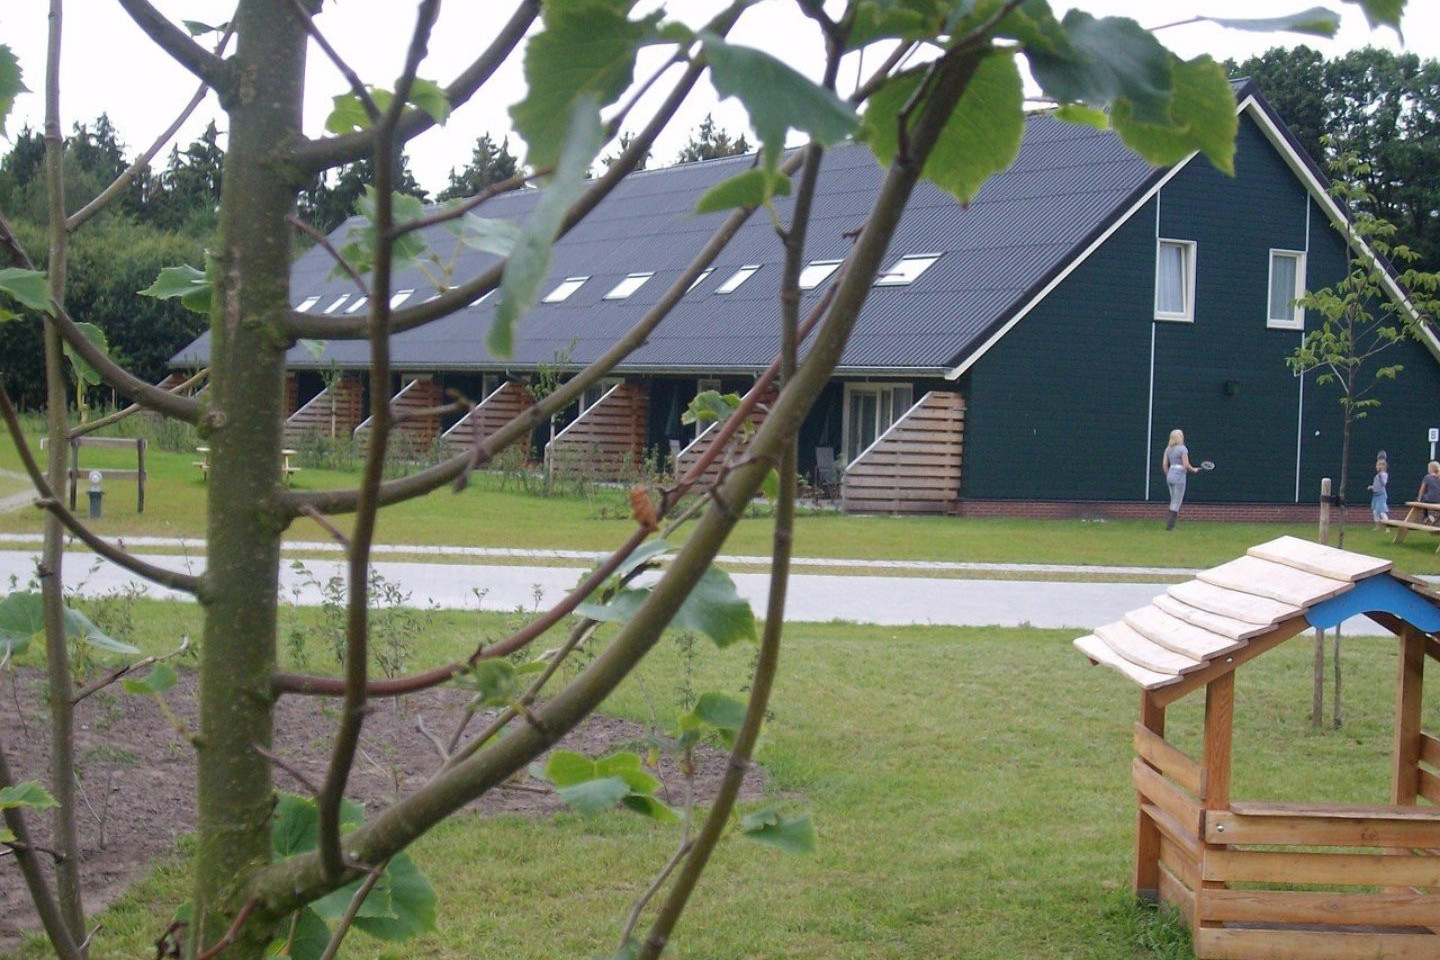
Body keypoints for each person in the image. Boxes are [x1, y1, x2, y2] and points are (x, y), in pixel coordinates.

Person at [1161, 428, 1199, 530]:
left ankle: (1169, 524)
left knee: (1173, 499)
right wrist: (1194, 470)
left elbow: (1164, 465)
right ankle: (1170, 526)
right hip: (1179, 477)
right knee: (1177, 501)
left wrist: (1168, 475)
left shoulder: (1168, 449)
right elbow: (1186, 464)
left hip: (1170, 476)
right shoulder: (1183, 449)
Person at [1370, 458, 1389, 529]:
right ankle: (1377, 526)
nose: (1379, 466)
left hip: (1382, 495)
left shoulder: (1384, 475)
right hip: (1376, 495)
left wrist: (1380, 477)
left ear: (1384, 467)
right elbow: (1376, 486)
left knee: (1381, 512)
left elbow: (1383, 483)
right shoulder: (1376, 476)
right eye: (1378, 465)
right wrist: (1371, 487)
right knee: (1375, 511)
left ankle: (1388, 526)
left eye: (1381, 465)